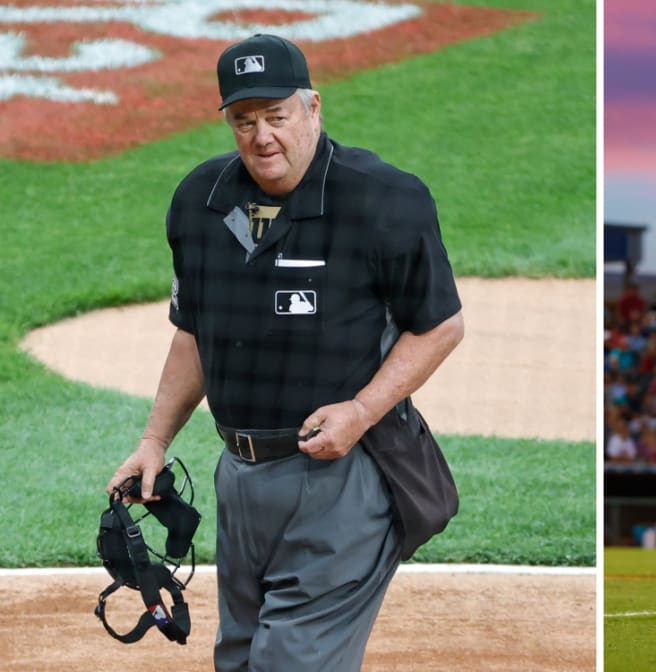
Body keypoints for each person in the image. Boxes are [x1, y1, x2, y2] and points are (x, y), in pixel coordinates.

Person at [106, 34, 464, 671]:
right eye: (245, 120)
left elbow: (441, 326)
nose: (262, 136)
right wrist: (154, 441)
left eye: (277, 116)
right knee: (240, 658)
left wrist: (361, 410)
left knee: (294, 661)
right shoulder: (201, 201)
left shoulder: (382, 200)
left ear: (313, 107)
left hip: (343, 476)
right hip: (239, 478)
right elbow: (193, 331)